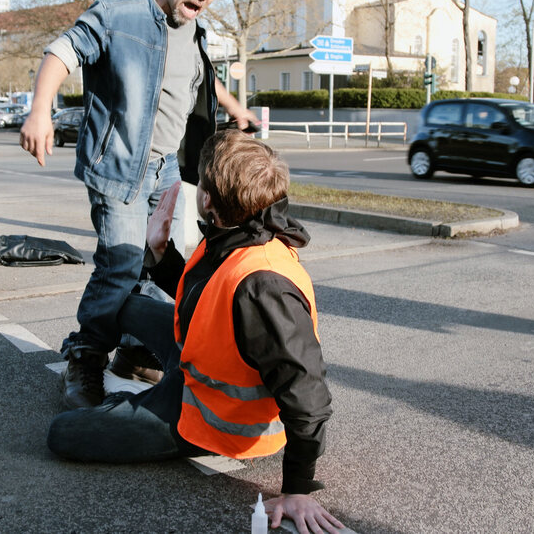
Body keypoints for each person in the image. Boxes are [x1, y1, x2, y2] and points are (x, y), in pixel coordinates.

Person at [47, 130, 343, 534]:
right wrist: (160, 251)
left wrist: (297, 489)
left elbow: (309, 396)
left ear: (207, 200)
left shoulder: (264, 286)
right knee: (123, 305)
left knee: (63, 433)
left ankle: (143, 403)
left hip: (211, 419)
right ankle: (135, 372)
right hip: (196, 367)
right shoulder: (239, 233)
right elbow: (205, 302)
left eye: (199, 179)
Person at [19, 0, 257, 409]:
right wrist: (40, 112)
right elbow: (62, 52)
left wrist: (234, 109)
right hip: (119, 168)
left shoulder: (195, 32)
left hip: (166, 168)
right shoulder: (118, 15)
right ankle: (85, 355)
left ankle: (131, 351)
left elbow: (203, 78)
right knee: (121, 264)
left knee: (160, 263)